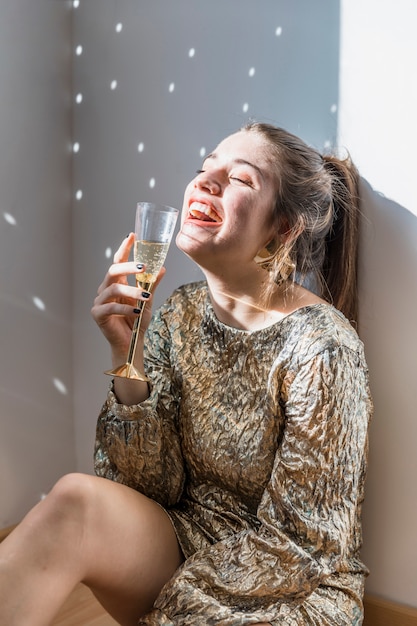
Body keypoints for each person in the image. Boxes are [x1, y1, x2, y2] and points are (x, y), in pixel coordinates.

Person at [0, 122, 372, 626]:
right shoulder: (177, 313)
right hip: (186, 539)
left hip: (291, 588)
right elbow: (147, 488)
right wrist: (125, 351)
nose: (205, 181)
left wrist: (177, 604)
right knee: (75, 500)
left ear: (281, 230)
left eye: (240, 179)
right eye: (204, 169)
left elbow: (303, 544)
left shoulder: (322, 347)